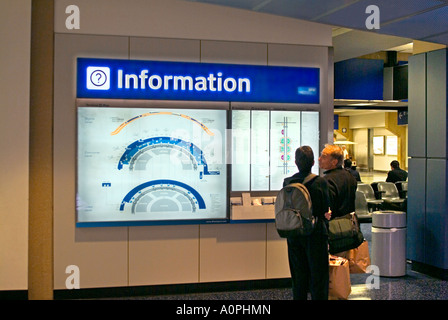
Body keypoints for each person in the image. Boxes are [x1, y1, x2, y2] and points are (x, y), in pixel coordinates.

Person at [283, 146, 331, 300]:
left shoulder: (287, 182)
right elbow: (325, 208)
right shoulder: (320, 182)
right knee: (318, 277)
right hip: (315, 233)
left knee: (298, 277)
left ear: (296, 162)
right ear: (312, 162)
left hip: (294, 233)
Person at [319, 144, 357, 219]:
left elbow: (328, 207)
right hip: (349, 223)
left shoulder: (328, 180)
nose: (319, 159)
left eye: (324, 156)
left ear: (334, 162)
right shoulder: (350, 176)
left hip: (334, 225)